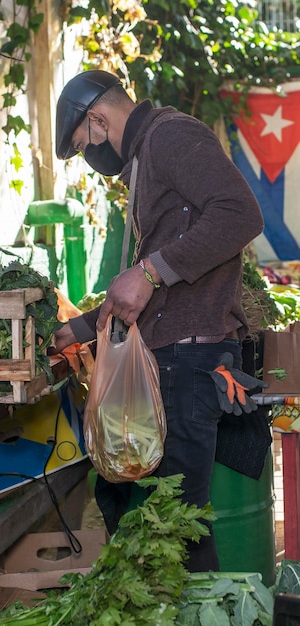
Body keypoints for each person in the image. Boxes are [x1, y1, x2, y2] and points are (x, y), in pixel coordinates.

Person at [54, 69, 265, 572]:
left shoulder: (172, 135)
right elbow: (149, 290)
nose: (91, 157)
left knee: (177, 535)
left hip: (189, 364)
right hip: (170, 360)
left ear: (99, 119)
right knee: (141, 518)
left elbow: (241, 214)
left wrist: (149, 270)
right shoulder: (148, 154)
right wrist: (84, 328)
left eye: (84, 144)